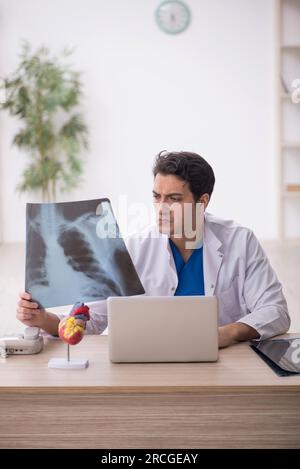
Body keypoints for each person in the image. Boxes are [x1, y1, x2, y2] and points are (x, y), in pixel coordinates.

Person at [16, 151, 290, 348]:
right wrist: (44, 320)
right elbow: (93, 320)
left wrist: (226, 333)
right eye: (157, 197)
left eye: (174, 199)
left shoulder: (240, 241)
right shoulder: (135, 247)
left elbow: (275, 311)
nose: (161, 209)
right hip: (148, 367)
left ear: (202, 202)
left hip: (223, 365)